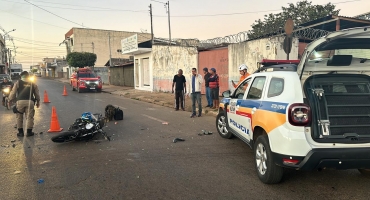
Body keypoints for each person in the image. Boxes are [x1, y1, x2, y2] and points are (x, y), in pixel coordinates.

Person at [8, 71, 41, 137]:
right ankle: (29, 132)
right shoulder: (33, 83)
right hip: (30, 102)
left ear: (21, 76)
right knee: (29, 117)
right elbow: (37, 94)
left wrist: (10, 100)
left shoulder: (18, 83)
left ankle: (20, 133)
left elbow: (13, 93)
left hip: (20, 102)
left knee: (19, 117)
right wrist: (38, 102)